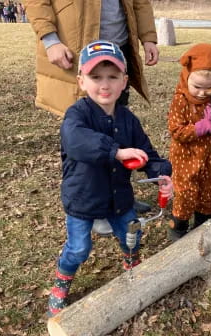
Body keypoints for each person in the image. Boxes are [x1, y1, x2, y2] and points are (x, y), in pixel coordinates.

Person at [47, 40, 173, 317]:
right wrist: (116, 152)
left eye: (113, 77)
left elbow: (148, 155)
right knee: (79, 249)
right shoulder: (76, 115)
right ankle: (62, 282)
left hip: (118, 198)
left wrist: (162, 174)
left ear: (124, 81)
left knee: (131, 234)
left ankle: (132, 264)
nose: (104, 85)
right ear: (81, 80)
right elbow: (77, 141)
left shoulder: (129, 120)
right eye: (95, 77)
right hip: (83, 198)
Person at [23, 0, 159, 116]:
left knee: (117, 116)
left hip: (119, 48)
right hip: (77, 50)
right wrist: (50, 40)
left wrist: (148, 38)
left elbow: (140, 3)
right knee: (81, 121)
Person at [167, 44, 211, 241]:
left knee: (209, 190)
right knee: (186, 193)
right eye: (197, 87)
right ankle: (178, 226)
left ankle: (203, 224)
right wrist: (202, 127)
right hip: (186, 158)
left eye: (209, 87)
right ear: (186, 76)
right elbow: (176, 130)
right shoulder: (181, 100)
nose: (202, 93)